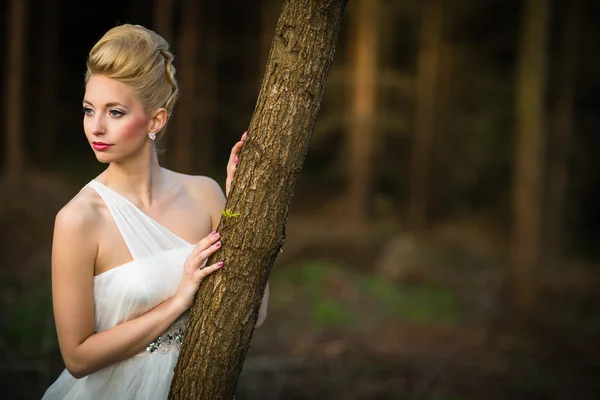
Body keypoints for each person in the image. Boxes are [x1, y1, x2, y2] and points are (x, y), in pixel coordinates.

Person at [42, 24, 268, 399]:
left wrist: (243, 205)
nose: (95, 127)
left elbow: (254, 314)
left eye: (114, 112)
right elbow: (77, 358)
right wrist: (178, 301)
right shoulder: (78, 219)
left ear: (156, 121)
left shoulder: (206, 194)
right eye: (88, 110)